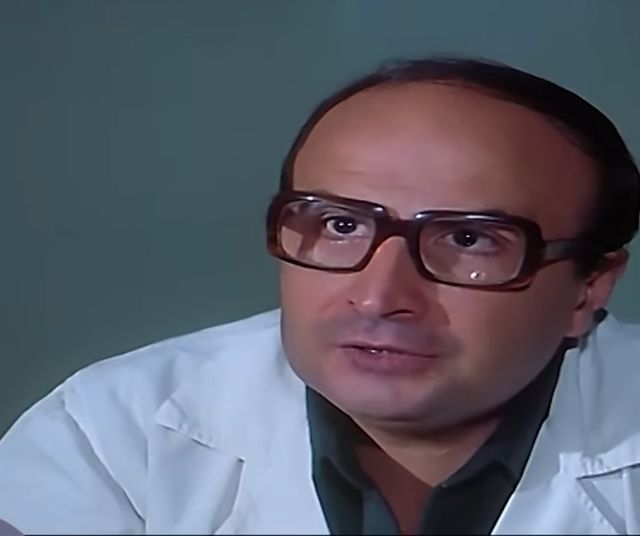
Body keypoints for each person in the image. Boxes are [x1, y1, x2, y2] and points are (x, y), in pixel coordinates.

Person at [1, 56, 640, 535]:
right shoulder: (111, 434)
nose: (379, 297)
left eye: (468, 239)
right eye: (340, 225)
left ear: (589, 286)